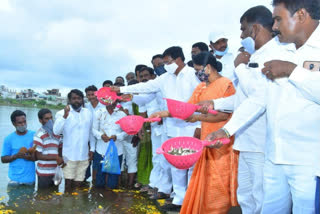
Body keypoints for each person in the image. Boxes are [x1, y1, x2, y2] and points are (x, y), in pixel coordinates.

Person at [206, 0, 320, 213]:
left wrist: (293, 71)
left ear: (302, 15)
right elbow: (260, 98)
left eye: (278, 19)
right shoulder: (285, 52)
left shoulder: (292, 57)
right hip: (275, 154)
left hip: (309, 161)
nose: (274, 27)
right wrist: (226, 129)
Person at [202, 6, 274, 214]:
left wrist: (226, 130)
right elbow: (242, 99)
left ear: (255, 29)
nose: (240, 35)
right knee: (246, 197)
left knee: (262, 199)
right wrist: (215, 103)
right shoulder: (252, 56)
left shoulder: (273, 55)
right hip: (246, 141)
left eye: (243, 30)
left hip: (262, 141)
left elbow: (259, 97)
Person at [111, 46, 200, 212]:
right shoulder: (164, 78)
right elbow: (146, 87)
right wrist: (122, 89)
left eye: (168, 62)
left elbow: (203, 99)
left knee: (191, 165)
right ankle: (178, 197)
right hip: (171, 126)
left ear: (179, 59)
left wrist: (200, 125)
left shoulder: (193, 75)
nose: (165, 66)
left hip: (191, 125)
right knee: (173, 163)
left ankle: (191, 197)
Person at [174, 52, 237, 214]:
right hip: (205, 140)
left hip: (222, 142)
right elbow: (189, 108)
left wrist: (197, 117)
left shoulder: (226, 84)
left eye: (198, 70)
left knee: (219, 184)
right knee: (206, 183)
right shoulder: (201, 87)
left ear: (208, 67)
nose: (198, 74)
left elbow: (225, 115)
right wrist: (166, 112)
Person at [53, 89, 94, 191]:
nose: (77, 101)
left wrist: (92, 149)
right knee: (68, 185)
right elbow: (56, 132)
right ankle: (67, 205)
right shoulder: (61, 113)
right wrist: (64, 117)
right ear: (69, 100)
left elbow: (91, 132)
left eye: (79, 98)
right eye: (74, 98)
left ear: (82, 99)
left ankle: (75, 204)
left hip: (83, 155)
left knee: (79, 184)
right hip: (69, 156)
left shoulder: (88, 113)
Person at [92, 102, 128, 189]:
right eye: (109, 100)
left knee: (113, 182)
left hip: (116, 151)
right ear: (104, 101)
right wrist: (101, 136)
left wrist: (117, 137)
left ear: (116, 101)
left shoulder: (122, 114)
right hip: (101, 150)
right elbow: (93, 129)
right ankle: (99, 199)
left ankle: (111, 199)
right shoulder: (99, 112)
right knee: (99, 181)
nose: (111, 103)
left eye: (113, 101)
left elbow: (126, 131)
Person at [1, 110, 36, 186]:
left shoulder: (34, 135)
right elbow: (3, 159)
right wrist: (16, 156)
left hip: (30, 180)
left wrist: (29, 156)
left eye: (24, 121)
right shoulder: (8, 139)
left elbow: (38, 156)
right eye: (20, 123)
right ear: (14, 124)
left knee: (29, 198)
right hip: (13, 179)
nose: (23, 124)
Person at [33, 108, 63, 189]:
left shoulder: (57, 133)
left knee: (55, 196)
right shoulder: (39, 135)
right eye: (46, 119)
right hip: (43, 173)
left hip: (55, 171)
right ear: (40, 120)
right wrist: (56, 157)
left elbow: (60, 148)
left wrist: (60, 161)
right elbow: (38, 156)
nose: (50, 121)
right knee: (43, 198)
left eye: (51, 118)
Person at [84, 85, 105, 183]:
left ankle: (95, 181)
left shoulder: (104, 106)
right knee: (87, 159)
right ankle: (85, 179)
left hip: (101, 137)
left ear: (97, 94)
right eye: (88, 95)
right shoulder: (85, 107)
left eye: (93, 94)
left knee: (97, 160)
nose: (91, 97)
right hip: (88, 137)